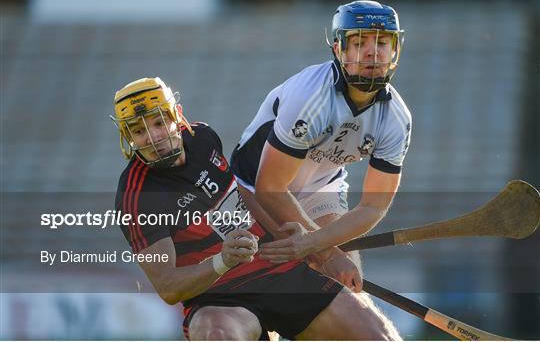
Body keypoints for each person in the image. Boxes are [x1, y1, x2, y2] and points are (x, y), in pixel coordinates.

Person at [111, 77, 401, 340]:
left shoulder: (202, 138)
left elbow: (239, 192)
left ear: (177, 115)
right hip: (218, 298)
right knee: (216, 334)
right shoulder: (136, 196)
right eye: (139, 131)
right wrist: (221, 261)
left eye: (159, 122)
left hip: (276, 268)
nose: (152, 137)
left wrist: (302, 246)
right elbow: (168, 287)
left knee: (379, 336)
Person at [230, 0, 412, 285]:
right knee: (296, 282)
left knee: (347, 287)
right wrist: (326, 252)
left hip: (322, 187)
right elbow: (271, 189)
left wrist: (318, 244)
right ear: (339, 49)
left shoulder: (396, 119)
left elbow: (373, 207)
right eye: (359, 42)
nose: (372, 52)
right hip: (252, 187)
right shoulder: (311, 97)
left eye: (382, 42)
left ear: (395, 49)